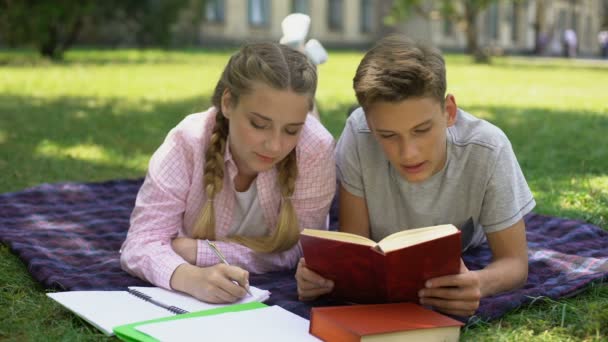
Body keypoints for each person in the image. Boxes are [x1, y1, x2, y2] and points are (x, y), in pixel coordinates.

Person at [296, 35, 535, 317]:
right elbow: (355, 247)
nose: (408, 154)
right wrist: (319, 277)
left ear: (449, 111)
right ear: (370, 124)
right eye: (387, 135)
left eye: (422, 130)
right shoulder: (358, 133)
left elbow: (515, 263)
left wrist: (478, 283)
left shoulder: (488, 148)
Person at [121, 42, 336, 304]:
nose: (276, 145)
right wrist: (190, 278)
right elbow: (140, 243)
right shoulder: (187, 142)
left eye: (292, 130)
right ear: (227, 102)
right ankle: (294, 46)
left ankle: (295, 47)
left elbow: (301, 248)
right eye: (259, 124)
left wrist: (202, 252)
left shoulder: (315, 147)